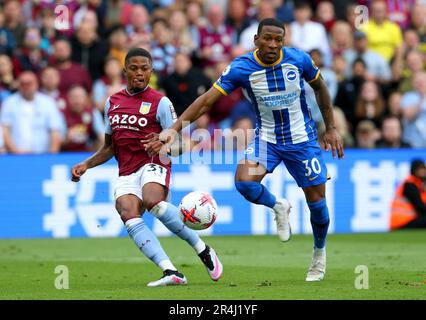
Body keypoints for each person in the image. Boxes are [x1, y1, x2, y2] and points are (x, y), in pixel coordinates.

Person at [144, 18, 344, 282]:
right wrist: (173, 130)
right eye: (268, 39)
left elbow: (321, 88)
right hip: (267, 141)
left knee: (317, 204)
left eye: (278, 39)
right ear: (256, 40)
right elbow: (206, 102)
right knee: (245, 183)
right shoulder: (242, 68)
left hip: (302, 141)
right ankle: (278, 206)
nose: (273, 44)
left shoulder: (300, 60)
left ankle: (319, 255)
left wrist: (330, 127)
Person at [71, 48, 223, 287]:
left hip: (155, 163)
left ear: (151, 72)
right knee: (127, 211)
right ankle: (170, 271)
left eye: (144, 68)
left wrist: (164, 143)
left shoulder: (160, 102)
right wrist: (86, 164)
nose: (139, 73)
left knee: (153, 201)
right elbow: (110, 147)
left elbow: (180, 144)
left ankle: (203, 250)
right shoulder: (112, 102)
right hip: (127, 170)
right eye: (134, 68)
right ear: (125, 71)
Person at [0, 71, 63, 154]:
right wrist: (15, 152)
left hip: (43, 155)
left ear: (36, 84)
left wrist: (52, 155)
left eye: (29, 83)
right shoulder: (9, 102)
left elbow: (55, 130)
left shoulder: (48, 103)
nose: (26, 87)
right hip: (16, 155)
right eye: (23, 84)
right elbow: (5, 130)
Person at [390, 159, 426, 229]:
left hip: (406, 221)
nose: (423, 171)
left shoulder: (418, 185)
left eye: (424, 168)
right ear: (414, 170)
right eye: (420, 169)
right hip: (402, 222)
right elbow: (420, 207)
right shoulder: (409, 185)